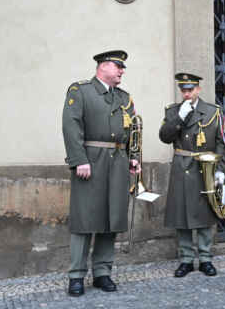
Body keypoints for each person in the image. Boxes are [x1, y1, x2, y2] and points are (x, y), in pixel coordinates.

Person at [62, 50, 141, 296]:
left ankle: (102, 272)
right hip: (90, 161)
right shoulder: (81, 91)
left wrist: (133, 158)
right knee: (85, 220)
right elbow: (71, 125)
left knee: (111, 219)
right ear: (103, 66)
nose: (122, 71)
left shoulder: (124, 98)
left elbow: (131, 131)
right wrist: (79, 160)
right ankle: (76, 275)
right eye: (118, 66)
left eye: (122, 67)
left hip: (117, 163)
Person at [159, 73, 225, 278]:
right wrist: (180, 117)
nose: (187, 93)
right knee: (182, 215)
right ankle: (186, 259)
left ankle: (206, 258)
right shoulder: (173, 111)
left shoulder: (213, 111)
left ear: (198, 89)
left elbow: (221, 144)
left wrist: (220, 171)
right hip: (182, 166)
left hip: (204, 167)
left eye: (190, 89)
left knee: (205, 213)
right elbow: (164, 137)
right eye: (184, 90)